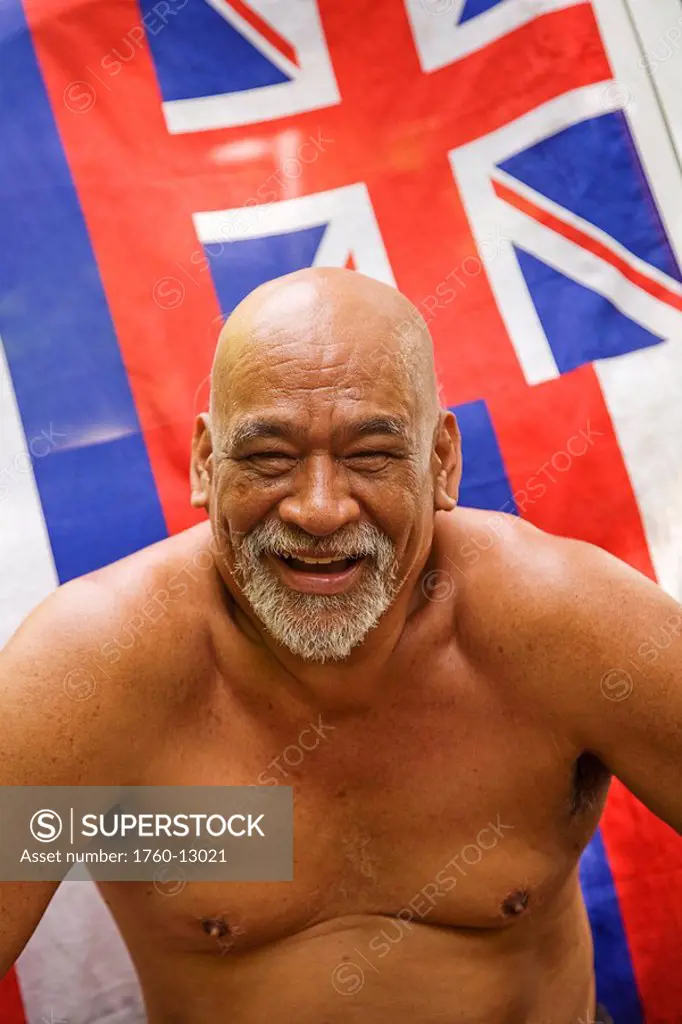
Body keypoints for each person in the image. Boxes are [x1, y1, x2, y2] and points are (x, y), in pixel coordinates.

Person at [1, 266, 680, 1024]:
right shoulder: (96, 666)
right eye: (268, 457)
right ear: (204, 464)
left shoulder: (559, 621)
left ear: (442, 463)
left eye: (370, 455)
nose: (319, 510)